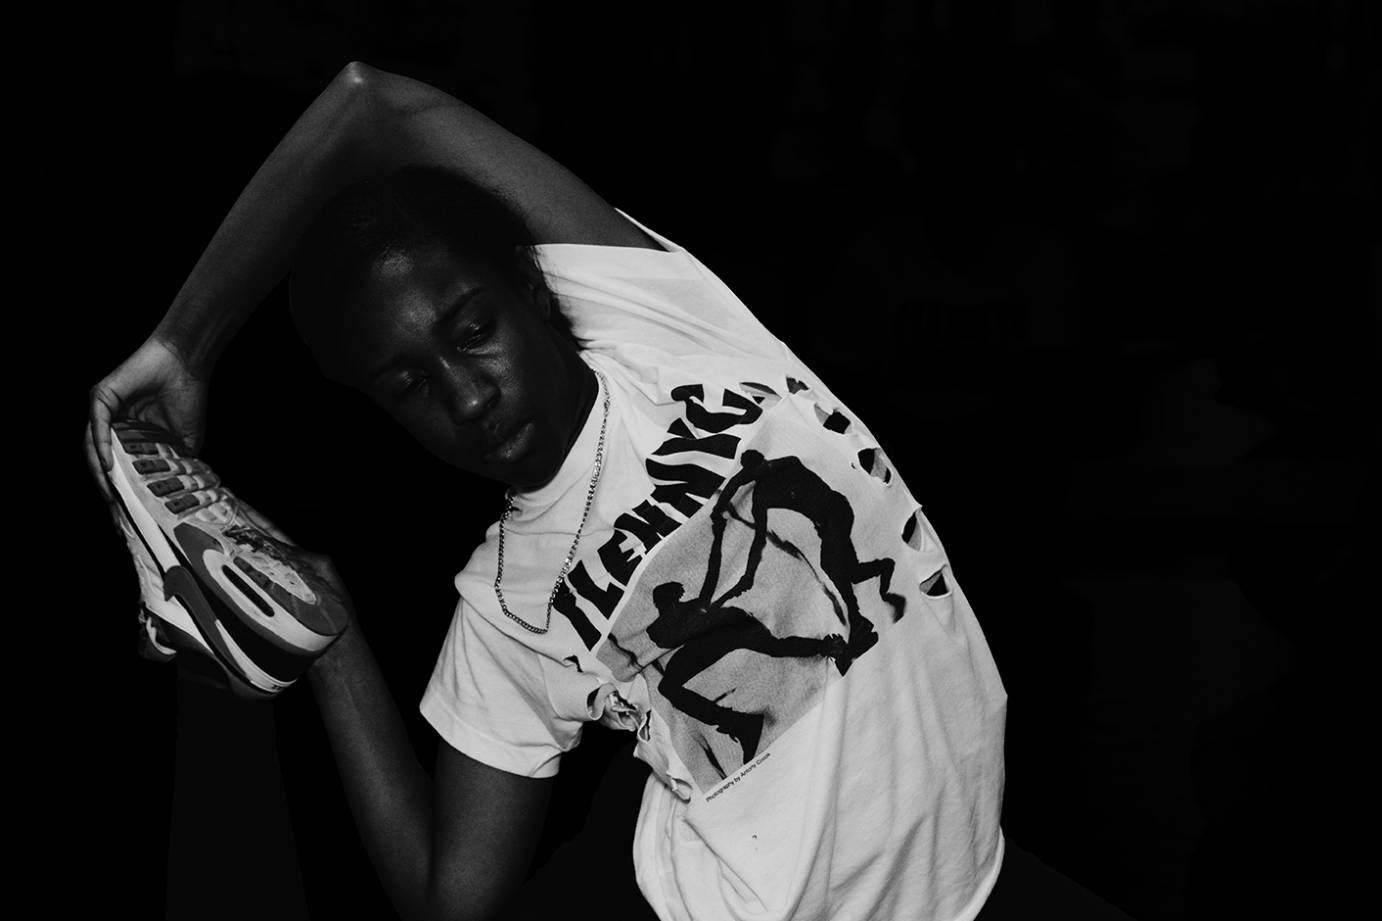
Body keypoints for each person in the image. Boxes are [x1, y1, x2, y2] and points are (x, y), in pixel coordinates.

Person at [86, 62, 1010, 921]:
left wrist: (183, 346)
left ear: (529, 284)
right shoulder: (502, 607)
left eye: (471, 328)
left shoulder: (655, 316)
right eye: (408, 385)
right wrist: (334, 649)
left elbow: (370, 103)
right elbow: (451, 894)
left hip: (978, 881)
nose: (468, 393)